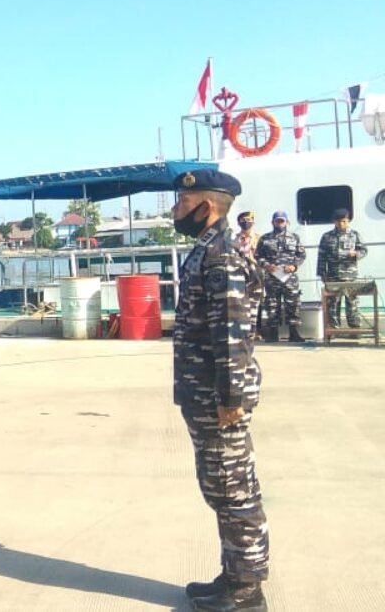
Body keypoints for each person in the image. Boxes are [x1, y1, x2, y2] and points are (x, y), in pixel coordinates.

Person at [170, 169, 269, 611]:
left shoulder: (222, 256)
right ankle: (233, 577)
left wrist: (230, 399)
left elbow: (232, 335)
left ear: (205, 206)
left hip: (218, 397)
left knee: (234, 491)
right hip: (204, 393)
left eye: (181, 201)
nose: (175, 208)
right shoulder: (209, 249)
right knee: (221, 489)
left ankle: (246, 592)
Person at [255, 210, 306, 343]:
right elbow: (257, 256)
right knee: (272, 304)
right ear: (272, 222)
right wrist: (266, 265)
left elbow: (301, 255)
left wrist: (294, 266)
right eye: (277, 221)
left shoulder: (294, 237)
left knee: (293, 304)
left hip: (290, 278)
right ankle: (273, 333)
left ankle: (294, 333)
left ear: (287, 222)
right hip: (272, 277)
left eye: (282, 221)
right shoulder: (265, 238)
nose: (279, 223)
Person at [317, 208, 368, 328]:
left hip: (350, 276)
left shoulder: (354, 235)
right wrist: (322, 273)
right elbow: (321, 256)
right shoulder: (327, 237)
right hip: (333, 276)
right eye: (338, 221)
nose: (341, 224)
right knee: (333, 304)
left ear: (348, 221)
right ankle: (334, 329)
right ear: (334, 222)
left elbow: (364, 250)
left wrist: (356, 254)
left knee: (352, 303)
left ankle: (355, 328)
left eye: (344, 221)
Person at [234, 211, 263, 340]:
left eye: (248, 219)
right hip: (240, 272)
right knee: (240, 301)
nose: (246, 222)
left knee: (256, 303)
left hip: (256, 272)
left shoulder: (259, 238)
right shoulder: (235, 239)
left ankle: (255, 331)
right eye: (243, 220)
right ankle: (243, 330)